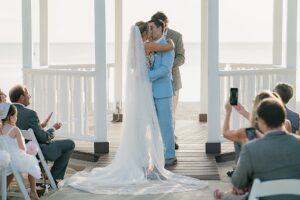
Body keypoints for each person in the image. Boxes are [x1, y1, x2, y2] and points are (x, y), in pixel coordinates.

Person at [58, 24, 207, 195]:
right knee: (144, 124)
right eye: (149, 30)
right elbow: (163, 51)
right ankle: (144, 158)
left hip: (147, 89)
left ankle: (148, 157)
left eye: (153, 29)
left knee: (148, 124)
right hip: (145, 89)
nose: (151, 32)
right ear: (144, 33)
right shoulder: (146, 46)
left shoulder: (146, 46)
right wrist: (170, 46)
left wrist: (166, 49)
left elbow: (156, 63)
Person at [216, 98, 300, 200]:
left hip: (260, 196)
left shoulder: (251, 148)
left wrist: (228, 112)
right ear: (284, 119)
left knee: (226, 197)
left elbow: (237, 182)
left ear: (260, 121)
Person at [9, 85, 75, 185]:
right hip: (34, 152)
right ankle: (53, 178)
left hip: (14, 152)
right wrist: (53, 129)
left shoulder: (6, 114)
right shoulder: (30, 113)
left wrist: (41, 126)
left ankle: (42, 176)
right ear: (21, 97)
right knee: (70, 143)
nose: (29, 97)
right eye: (28, 94)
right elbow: (43, 138)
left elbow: (27, 132)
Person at [151, 11, 185, 150]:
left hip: (173, 81)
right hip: (154, 82)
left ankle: (171, 141)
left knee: (170, 114)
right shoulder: (150, 36)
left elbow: (181, 58)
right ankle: (159, 142)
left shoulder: (176, 37)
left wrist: (167, 64)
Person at [147, 19, 176, 166]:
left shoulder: (167, 46)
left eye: (152, 27)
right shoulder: (150, 45)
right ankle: (155, 153)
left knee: (166, 125)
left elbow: (165, 69)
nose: (150, 30)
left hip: (163, 92)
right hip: (149, 92)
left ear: (160, 29)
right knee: (151, 125)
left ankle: (170, 155)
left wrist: (147, 76)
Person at [0, 103, 41, 200]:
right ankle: (33, 192)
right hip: (12, 161)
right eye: (16, 116)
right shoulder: (15, 129)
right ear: (11, 117)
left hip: (3, 160)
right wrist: (27, 151)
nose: (16, 118)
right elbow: (22, 148)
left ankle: (3, 189)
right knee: (31, 161)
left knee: (10, 170)